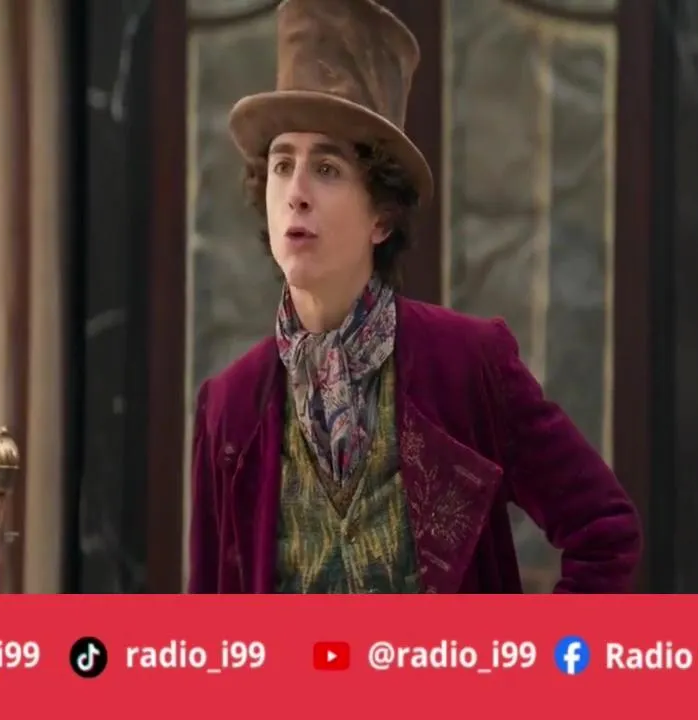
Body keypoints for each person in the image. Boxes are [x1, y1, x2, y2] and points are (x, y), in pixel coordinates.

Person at [187, 0, 640, 594]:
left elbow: (604, 531)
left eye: (327, 168)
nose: (295, 192)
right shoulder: (229, 409)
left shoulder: (468, 367)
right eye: (281, 165)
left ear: (381, 216)